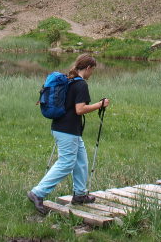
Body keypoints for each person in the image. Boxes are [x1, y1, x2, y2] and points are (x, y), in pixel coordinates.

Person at [27, 54, 110, 215]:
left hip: (64, 128)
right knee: (66, 163)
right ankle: (38, 192)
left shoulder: (69, 80)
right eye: (92, 70)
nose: (92, 73)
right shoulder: (81, 85)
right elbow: (80, 109)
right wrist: (100, 104)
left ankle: (79, 194)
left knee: (81, 161)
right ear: (88, 68)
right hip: (68, 130)